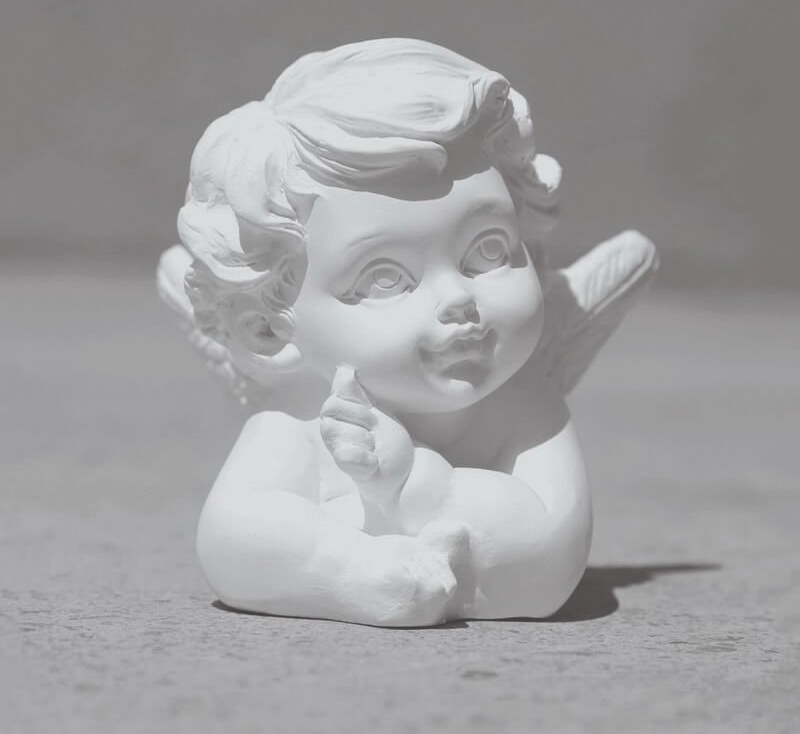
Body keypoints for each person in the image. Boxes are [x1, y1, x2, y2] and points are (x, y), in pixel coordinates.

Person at [158, 38, 657, 626]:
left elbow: (550, 561)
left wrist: (416, 485)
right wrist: (355, 573)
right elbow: (231, 543)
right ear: (270, 328)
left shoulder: (523, 406)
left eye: (489, 250)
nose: (458, 300)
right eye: (386, 278)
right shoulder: (299, 418)